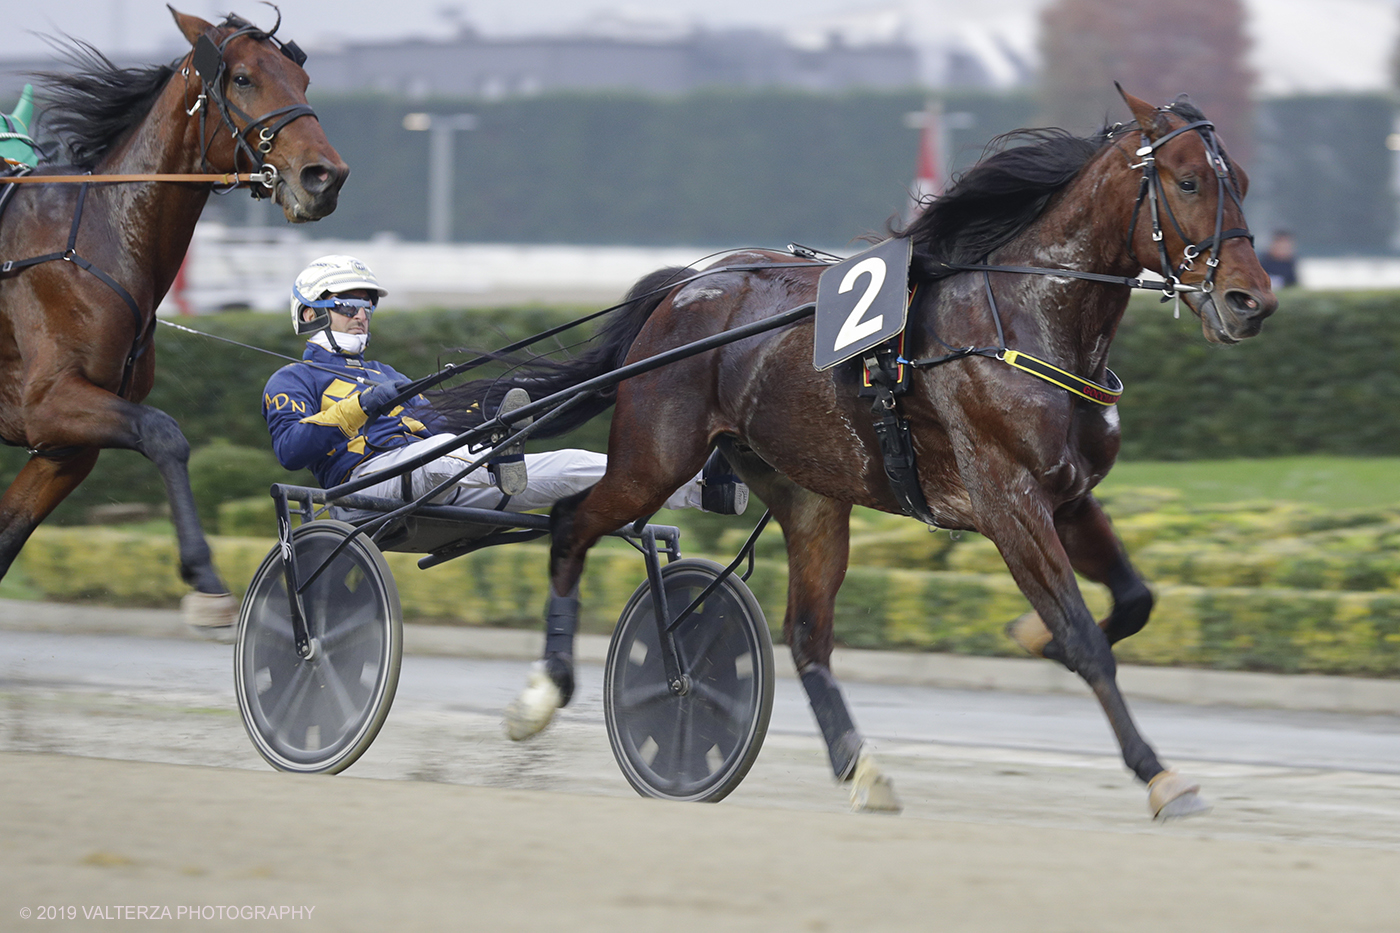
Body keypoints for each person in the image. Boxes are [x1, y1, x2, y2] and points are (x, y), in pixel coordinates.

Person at [263, 254, 747, 518]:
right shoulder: (292, 379)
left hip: (447, 477)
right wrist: (363, 405)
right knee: (438, 456)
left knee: (574, 466)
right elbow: (291, 449)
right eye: (349, 305)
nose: (361, 315)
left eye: (367, 307)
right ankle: (495, 461)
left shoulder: (388, 374)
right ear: (310, 314)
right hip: (367, 484)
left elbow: (436, 425)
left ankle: (702, 487)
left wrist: (494, 412)